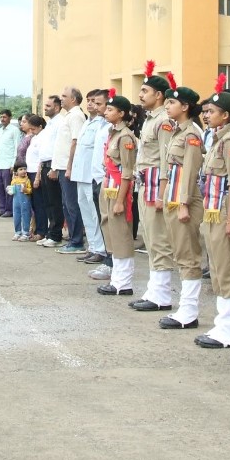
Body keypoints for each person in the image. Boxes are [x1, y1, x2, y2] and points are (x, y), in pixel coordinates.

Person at [196, 77, 230, 348]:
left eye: (211, 112)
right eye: (205, 112)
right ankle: (222, 325)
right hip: (212, 209)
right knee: (217, 268)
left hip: (225, 209)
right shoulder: (218, 140)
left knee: (228, 268)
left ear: (226, 115)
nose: (206, 116)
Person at [157, 83, 206, 330]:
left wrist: (184, 204)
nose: (167, 106)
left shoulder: (191, 135)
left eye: (172, 103)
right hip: (174, 198)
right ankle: (184, 308)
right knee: (180, 253)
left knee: (188, 255)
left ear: (185, 107)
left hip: (185, 199)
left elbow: (190, 171)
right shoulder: (178, 131)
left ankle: (188, 311)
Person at [130, 61, 178, 311]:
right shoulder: (149, 120)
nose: (140, 95)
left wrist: (162, 193)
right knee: (149, 236)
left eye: (145, 91)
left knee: (159, 239)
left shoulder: (164, 122)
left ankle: (162, 294)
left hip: (155, 185)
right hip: (144, 183)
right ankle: (154, 289)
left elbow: (166, 160)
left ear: (159, 95)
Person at [96, 93, 139, 296]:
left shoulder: (126, 137)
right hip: (109, 187)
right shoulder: (112, 133)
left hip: (119, 190)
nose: (106, 112)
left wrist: (121, 200)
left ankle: (123, 282)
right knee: (110, 231)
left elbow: (127, 172)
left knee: (121, 233)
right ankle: (116, 278)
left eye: (111, 110)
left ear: (121, 114)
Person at [72, 90, 110, 265]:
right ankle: (94, 247)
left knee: (96, 214)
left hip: (93, 175)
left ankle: (101, 249)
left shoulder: (105, 124)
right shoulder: (88, 122)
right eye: (88, 101)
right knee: (86, 212)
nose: (90, 104)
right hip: (82, 173)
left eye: (95, 101)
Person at [51, 87, 88, 253]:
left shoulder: (76, 116)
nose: (61, 98)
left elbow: (75, 142)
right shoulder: (69, 116)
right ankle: (73, 239)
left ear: (73, 99)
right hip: (61, 166)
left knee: (72, 205)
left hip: (68, 167)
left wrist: (69, 167)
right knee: (67, 205)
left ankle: (77, 241)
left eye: (64, 96)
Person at [33, 95, 63, 246]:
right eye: (45, 106)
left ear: (57, 107)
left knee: (55, 202)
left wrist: (54, 168)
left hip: (52, 165)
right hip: (44, 164)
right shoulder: (50, 124)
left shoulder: (60, 123)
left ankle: (56, 235)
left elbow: (59, 146)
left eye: (48, 106)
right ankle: (50, 233)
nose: (45, 108)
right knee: (48, 202)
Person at [17, 113, 44, 240]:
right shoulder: (34, 138)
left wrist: (38, 176)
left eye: (33, 128)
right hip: (30, 172)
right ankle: (35, 229)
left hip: (36, 173)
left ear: (40, 126)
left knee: (39, 204)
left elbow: (41, 159)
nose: (32, 131)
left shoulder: (42, 138)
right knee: (33, 203)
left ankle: (41, 231)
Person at [0, 110, 20, 217]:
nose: (2, 119)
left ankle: (9, 210)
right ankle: (1, 208)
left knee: (8, 188)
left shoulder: (14, 130)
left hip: (8, 164)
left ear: (9, 118)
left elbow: (16, 147)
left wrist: (13, 164)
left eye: (4, 117)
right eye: (1, 117)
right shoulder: (0, 130)